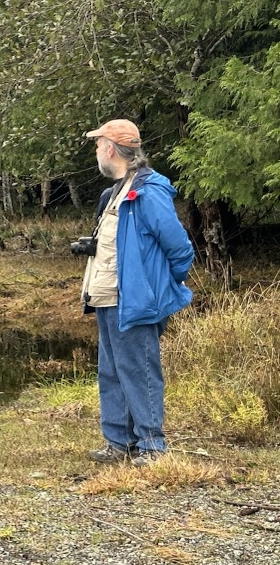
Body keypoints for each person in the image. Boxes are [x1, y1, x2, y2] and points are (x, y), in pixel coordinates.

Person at [79, 119, 194, 466]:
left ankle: (151, 446)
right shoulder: (111, 192)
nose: (97, 152)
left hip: (134, 301)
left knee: (140, 369)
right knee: (111, 370)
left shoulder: (148, 191)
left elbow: (180, 248)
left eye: (99, 145)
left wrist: (159, 287)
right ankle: (119, 443)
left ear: (111, 149)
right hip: (104, 296)